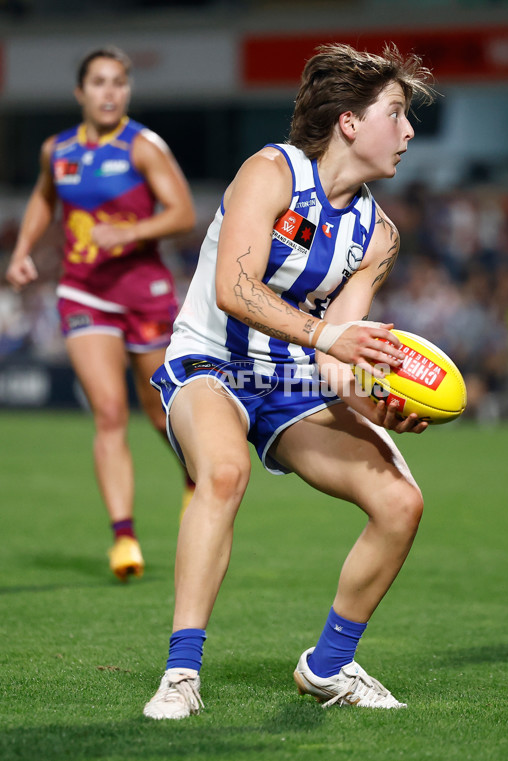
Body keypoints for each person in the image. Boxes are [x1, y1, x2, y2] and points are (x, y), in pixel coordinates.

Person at [143, 42, 435, 719]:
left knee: (401, 501)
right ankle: (181, 673)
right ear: (350, 124)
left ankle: (329, 667)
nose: (410, 131)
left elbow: (335, 361)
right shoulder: (271, 171)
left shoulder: (378, 237)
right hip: (208, 364)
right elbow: (232, 288)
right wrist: (329, 337)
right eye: (397, 113)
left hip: (291, 381)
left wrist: (381, 403)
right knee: (221, 472)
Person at [5, 46, 197, 581]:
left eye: (118, 83)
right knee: (110, 412)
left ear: (127, 92)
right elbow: (45, 198)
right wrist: (23, 250)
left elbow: (182, 212)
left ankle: (192, 477)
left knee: (159, 412)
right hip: (83, 291)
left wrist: (130, 231)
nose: (109, 92)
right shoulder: (57, 150)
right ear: (80, 93)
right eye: (99, 83)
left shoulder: (144, 147)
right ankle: (123, 537)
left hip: (145, 292)